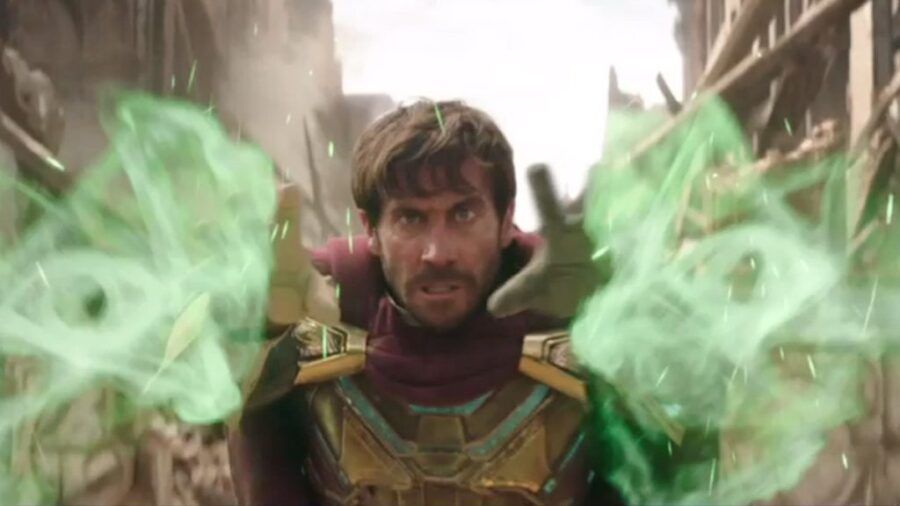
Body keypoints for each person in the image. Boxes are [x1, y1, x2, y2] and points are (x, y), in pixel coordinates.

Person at [227, 99, 617, 505]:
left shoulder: (571, 319)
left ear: (506, 220)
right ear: (371, 230)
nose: (437, 253)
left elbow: (650, 462)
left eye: (463, 214)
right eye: (410, 219)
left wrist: (619, 314)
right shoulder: (318, 302)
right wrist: (260, 333)